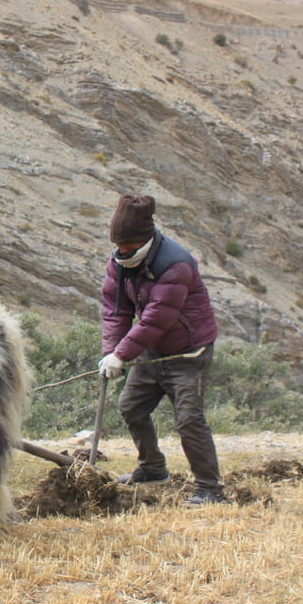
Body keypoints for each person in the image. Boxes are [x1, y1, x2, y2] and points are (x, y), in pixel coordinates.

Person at [98, 193, 227, 505]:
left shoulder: (175, 264)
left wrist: (122, 354)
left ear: (145, 240)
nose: (122, 251)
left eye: (128, 247)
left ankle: (210, 489)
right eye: (119, 246)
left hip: (188, 354)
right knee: (131, 406)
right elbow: (116, 311)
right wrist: (111, 351)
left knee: (188, 419)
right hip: (151, 352)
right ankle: (153, 468)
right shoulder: (121, 262)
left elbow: (158, 318)